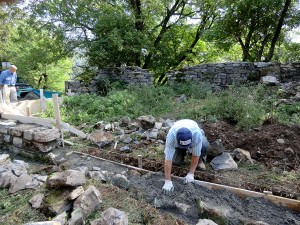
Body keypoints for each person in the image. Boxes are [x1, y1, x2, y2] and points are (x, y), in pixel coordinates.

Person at [162, 119, 209, 195]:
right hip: (178, 132)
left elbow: (196, 154)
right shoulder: (171, 136)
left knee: (204, 145)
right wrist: (167, 181)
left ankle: (200, 160)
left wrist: (191, 173)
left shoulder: (196, 135)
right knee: (175, 161)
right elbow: (168, 159)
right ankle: (181, 152)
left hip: (193, 127)